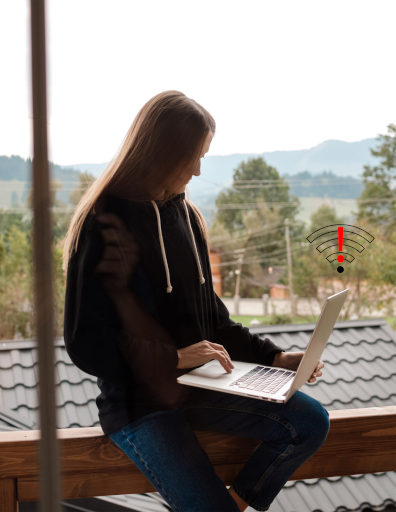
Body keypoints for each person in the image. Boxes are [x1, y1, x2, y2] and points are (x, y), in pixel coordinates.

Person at [63, 90, 329, 512]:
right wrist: (173, 358)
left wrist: (276, 359)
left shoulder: (185, 217)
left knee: (309, 422)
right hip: (140, 406)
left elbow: (214, 322)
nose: (200, 170)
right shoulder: (103, 223)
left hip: (201, 387)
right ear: (163, 152)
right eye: (194, 156)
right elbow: (85, 341)